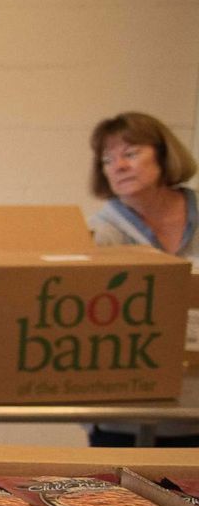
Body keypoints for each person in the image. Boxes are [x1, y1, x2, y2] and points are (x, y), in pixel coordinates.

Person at [84, 111, 198, 447]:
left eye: (130, 154)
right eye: (107, 160)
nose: (117, 166)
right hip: (124, 416)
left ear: (164, 155)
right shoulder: (100, 234)